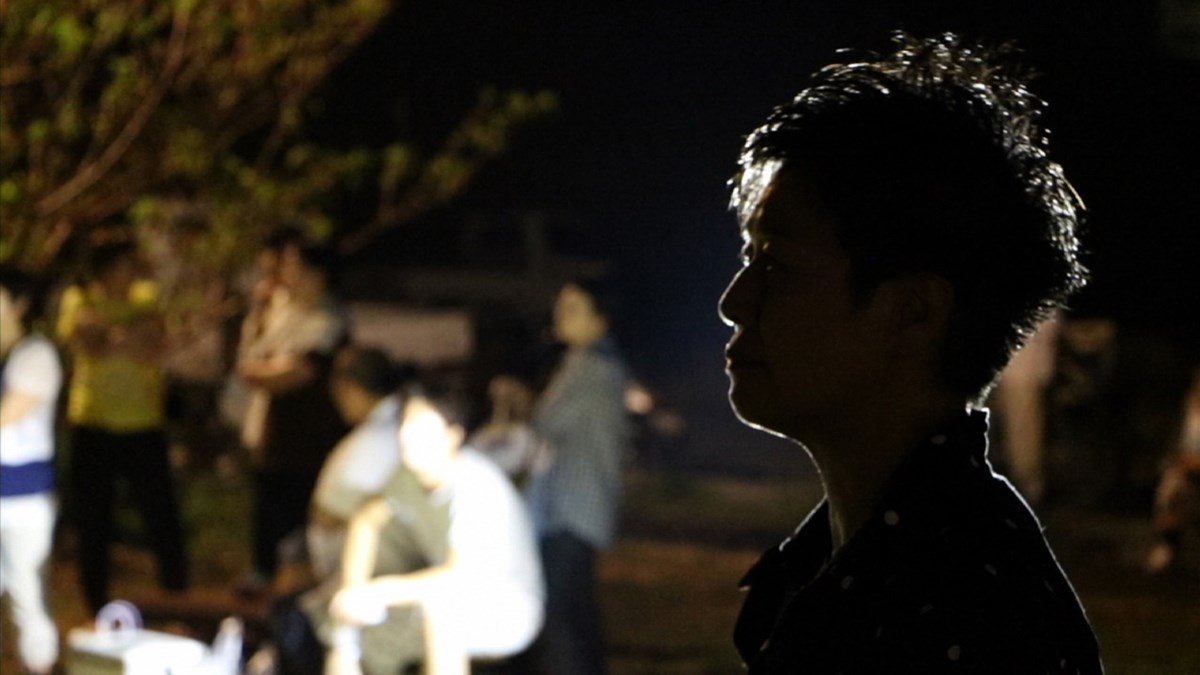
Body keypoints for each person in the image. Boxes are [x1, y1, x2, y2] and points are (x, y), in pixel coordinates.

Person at [719, 33, 1102, 673]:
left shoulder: (969, 612)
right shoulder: (871, 563)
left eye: (777, 264)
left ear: (912, 314)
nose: (735, 301)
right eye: (748, 257)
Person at [327, 392, 544, 675]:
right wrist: (354, 590)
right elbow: (366, 520)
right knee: (356, 632)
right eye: (405, 422)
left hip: (508, 607)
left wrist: (379, 592)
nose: (406, 433)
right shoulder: (408, 476)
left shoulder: (475, 484)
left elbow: (459, 577)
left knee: (441, 610)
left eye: (420, 424)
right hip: (455, 594)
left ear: (453, 435)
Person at [57, 239, 190, 613]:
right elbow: (93, 344)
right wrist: (126, 333)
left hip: (143, 424)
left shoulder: (147, 295)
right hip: (93, 423)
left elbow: (152, 341)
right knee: (93, 517)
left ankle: (177, 596)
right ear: (108, 269)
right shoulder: (78, 299)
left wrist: (114, 332)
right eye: (127, 264)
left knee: (160, 512)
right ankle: (95, 603)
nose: (135, 270)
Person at [525, 279, 631, 675]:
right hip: (578, 506)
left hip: (573, 509)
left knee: (556, 616)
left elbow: (543, 425)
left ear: (600, 321)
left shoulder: (592, 368)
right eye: (560, 306)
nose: (560, 315)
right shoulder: (591, 362)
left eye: (573, 309)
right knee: (576, 615)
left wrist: (520, 406)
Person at [235, 243, 349, 595]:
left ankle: (299, 589)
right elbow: (250, 361)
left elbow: (291, 374)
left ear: (318, 275)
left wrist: (262, 370)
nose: (287, 275)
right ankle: (266, 580)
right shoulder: (279, 311)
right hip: (272, 435)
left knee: (301, 519)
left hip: (309, 440)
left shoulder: (329, 320)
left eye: (295, 267)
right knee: (268, 511)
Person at [1, 266, 63, 675]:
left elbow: (7, 416)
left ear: (19, 305)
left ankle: (42, 665)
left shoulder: (35, 355)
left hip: (24, 498)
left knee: (28, 597)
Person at [307, 346, 406, 581]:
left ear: (349, 387)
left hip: (364, 571)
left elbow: (334, 515)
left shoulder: (377, 438)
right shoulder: (396, 423)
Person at [1144, 368, 1200, 574]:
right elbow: (1174, 447)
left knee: (1177, 490)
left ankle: (1168, 545)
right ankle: (1166, 545)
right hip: (1183, 472)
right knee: (1173, 489)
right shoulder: (1187, 413)